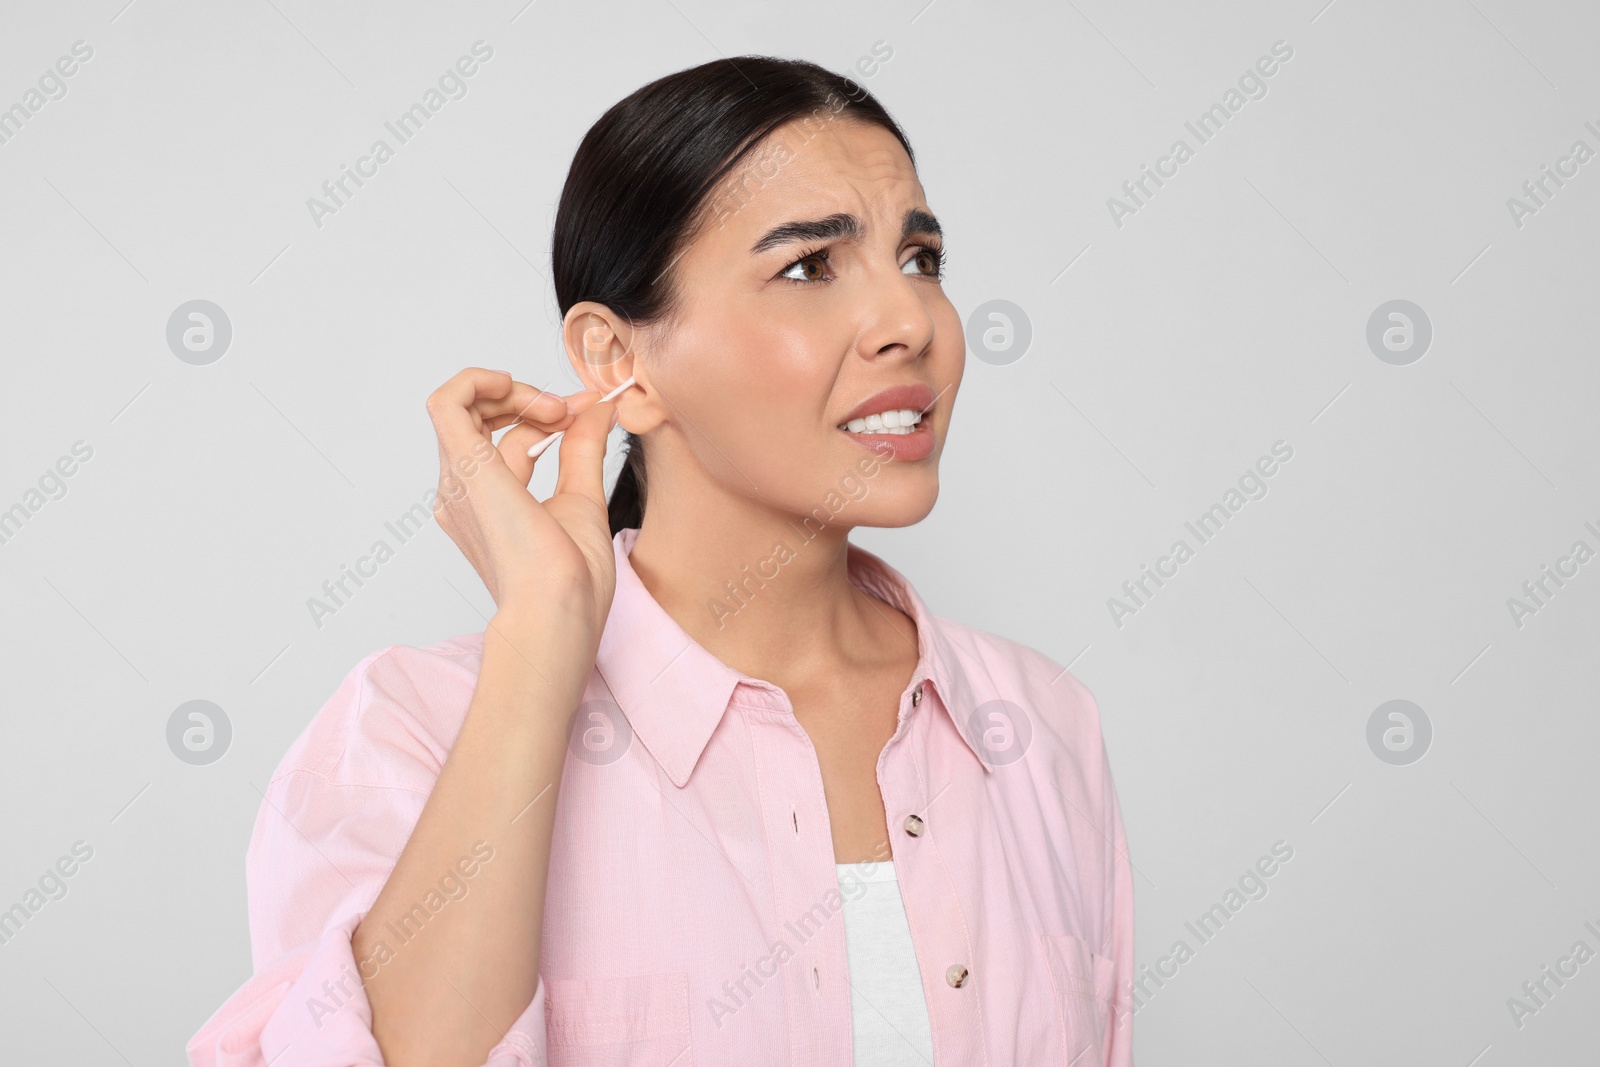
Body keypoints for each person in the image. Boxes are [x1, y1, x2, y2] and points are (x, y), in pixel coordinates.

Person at [187, 55, 1134, 1067]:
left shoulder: (1036, 724)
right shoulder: (410, 731)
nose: (912, 322)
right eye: (810, 267)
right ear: (616, 361)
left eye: (922, 258)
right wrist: (541, 634)